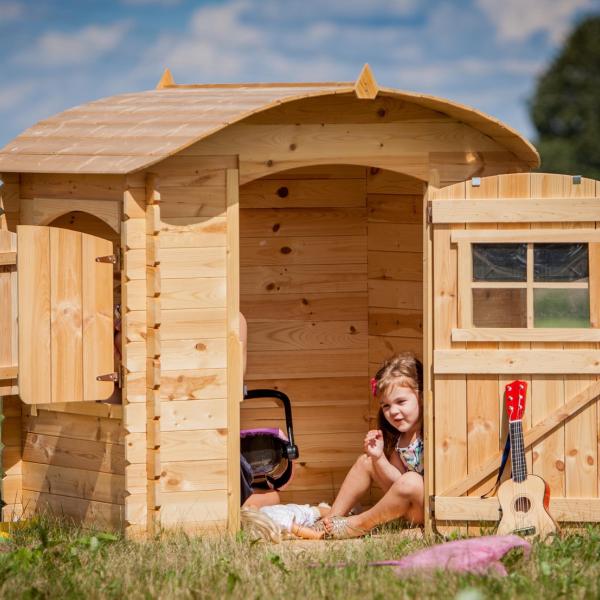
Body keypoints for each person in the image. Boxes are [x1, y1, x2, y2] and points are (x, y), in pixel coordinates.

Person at [319, 352, 424, 539]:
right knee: (366, 461)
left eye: (401, 402)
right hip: (406, 506)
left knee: (412, 481)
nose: (393, 411)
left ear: (422, 397)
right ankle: (330, 521)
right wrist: (378, 457)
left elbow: (411, 485)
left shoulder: (431, 432)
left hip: (427, 510)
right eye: (386, 406)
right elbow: (397, 482)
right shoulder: (400, 438)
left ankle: (359, 524)